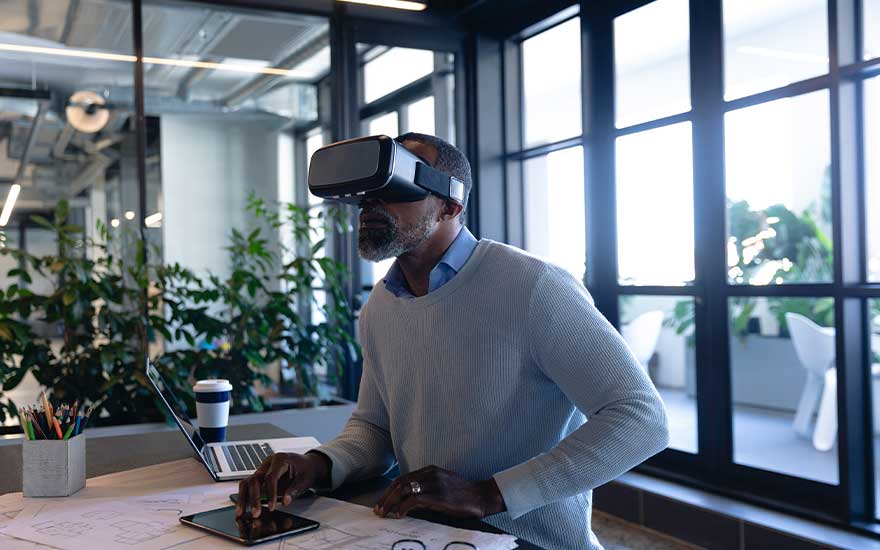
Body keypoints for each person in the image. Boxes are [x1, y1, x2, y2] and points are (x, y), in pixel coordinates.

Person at [236, 132, 669, 549]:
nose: (371, 204)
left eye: (396, 186)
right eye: (368, 194)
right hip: (422, 532)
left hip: (530, 540)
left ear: (451, 203)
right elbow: (375, 428)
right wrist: (319, 463)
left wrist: (490, 494)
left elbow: (642, 417)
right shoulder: (381, 307)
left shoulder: (533, 287)